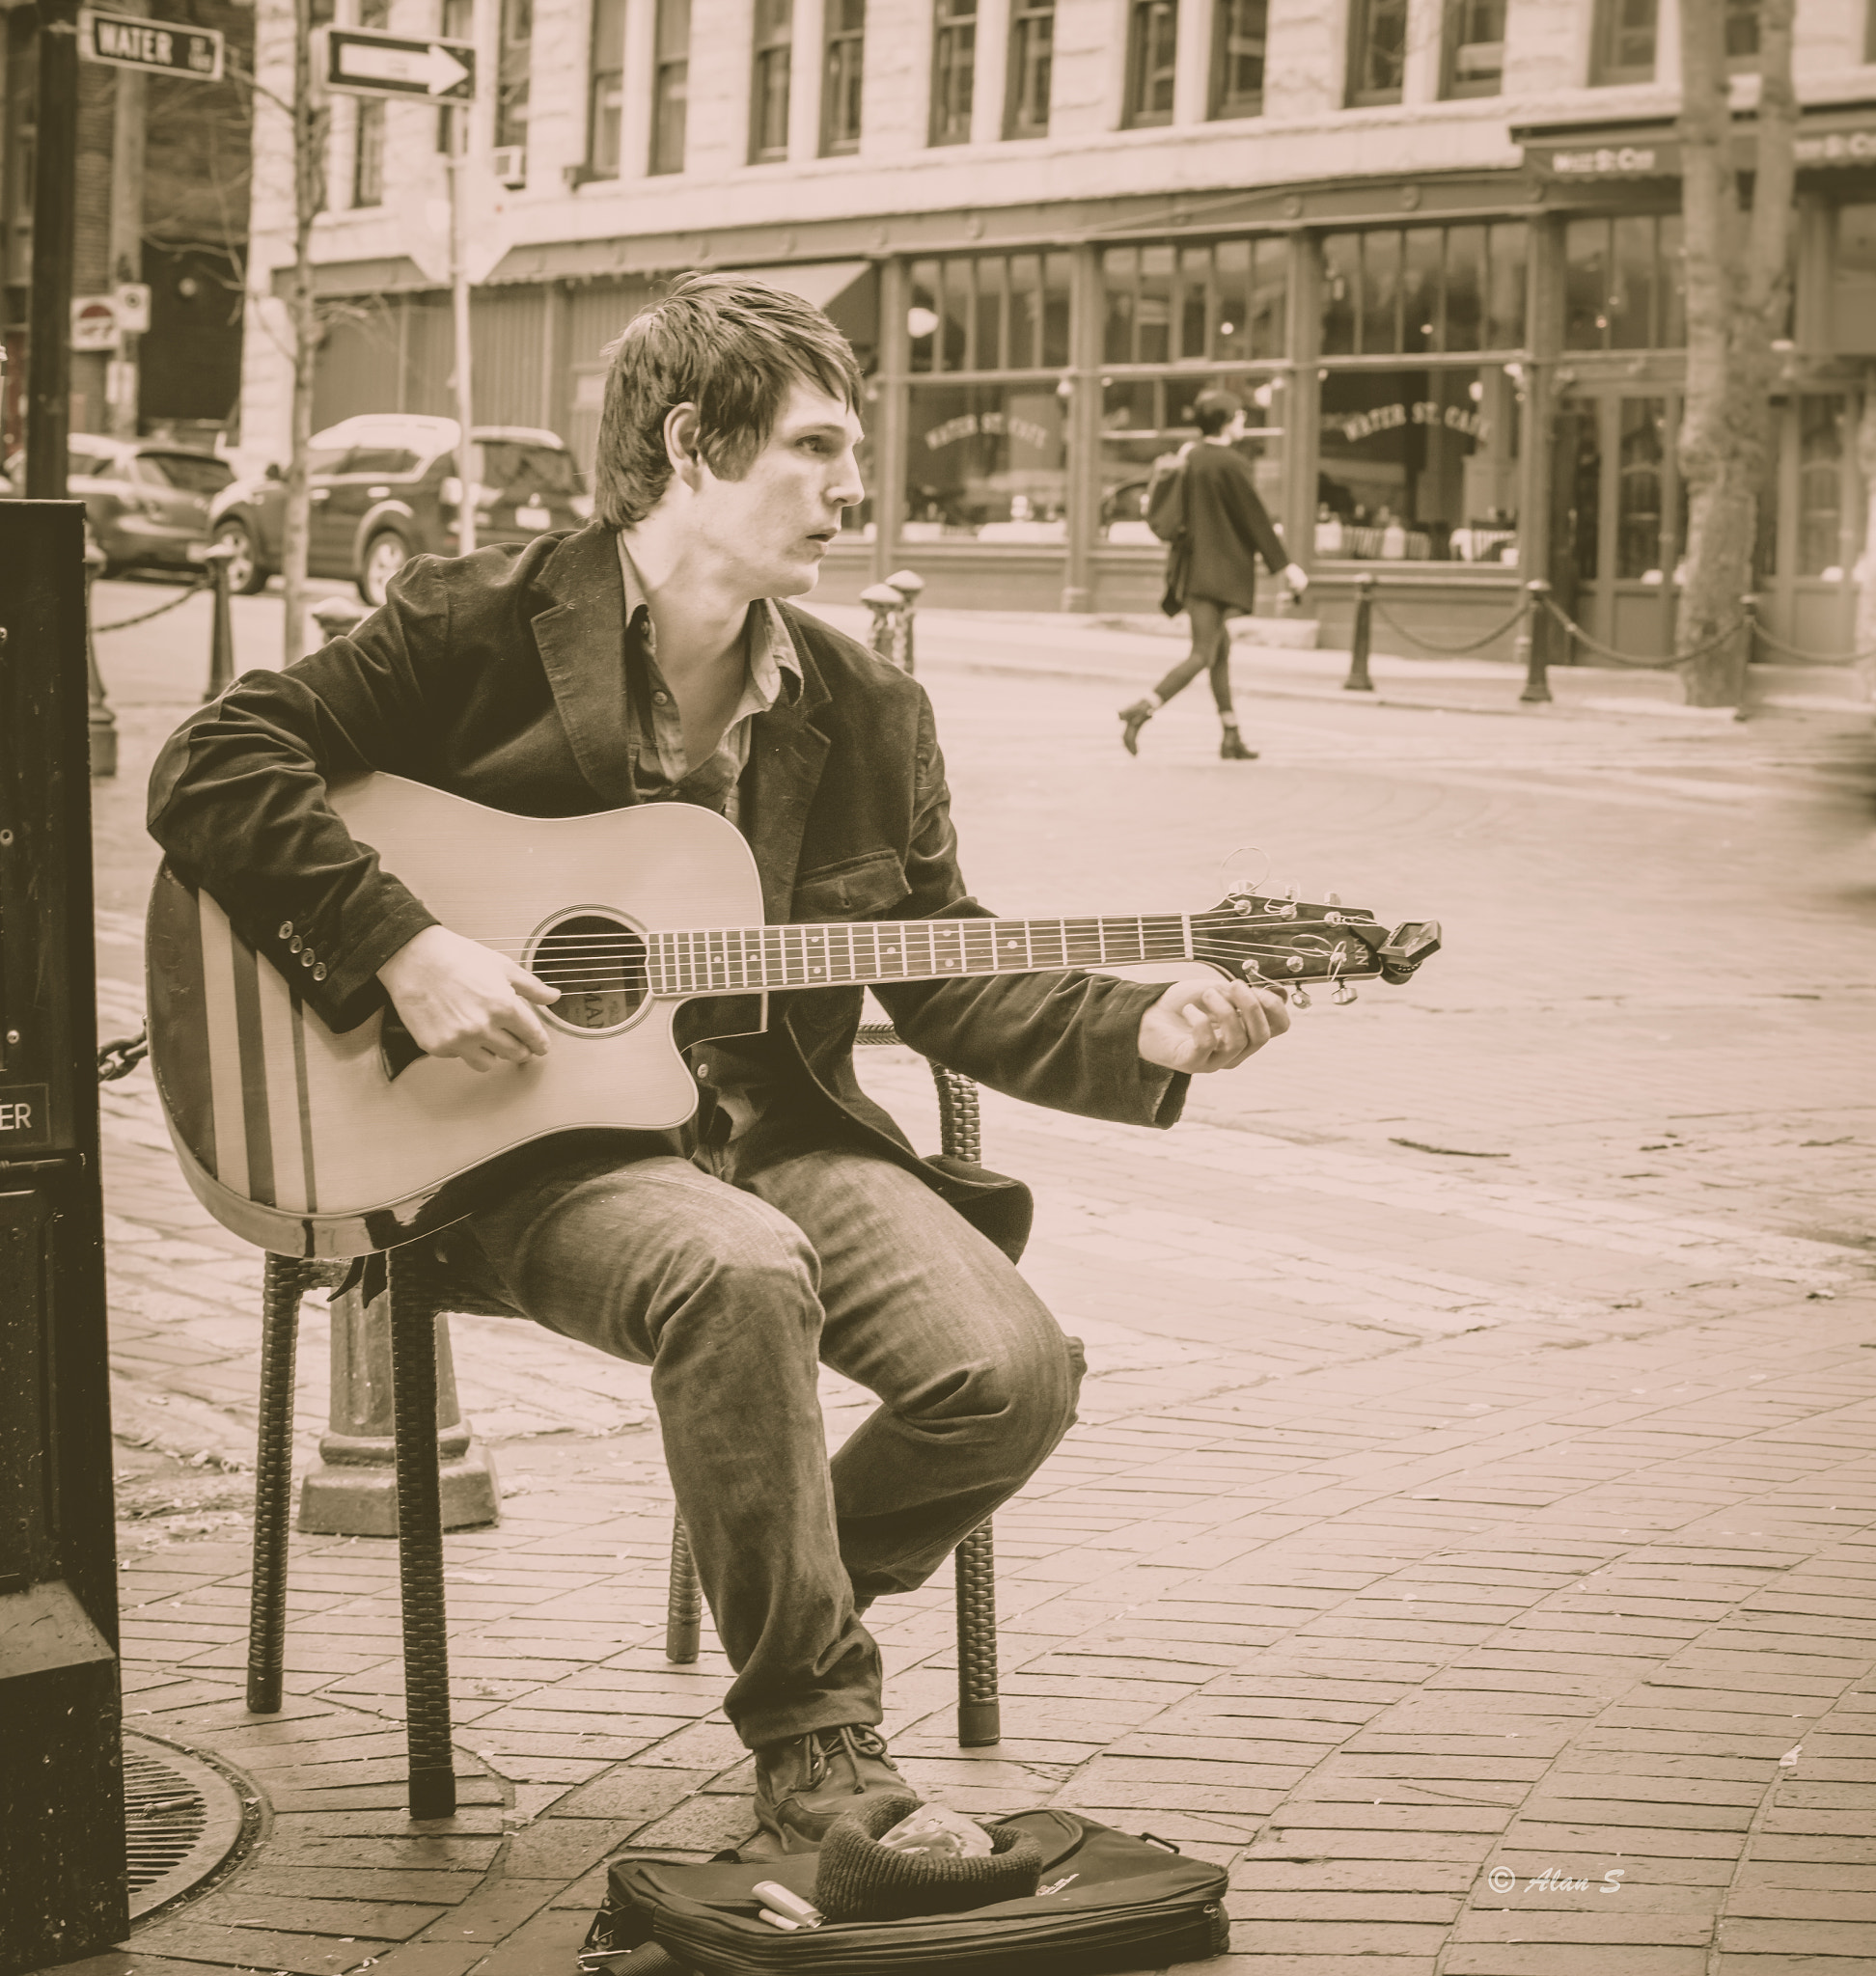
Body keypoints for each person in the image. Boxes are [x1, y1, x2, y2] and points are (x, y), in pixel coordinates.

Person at [148, 275, 1290, 1858]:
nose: (851, 485)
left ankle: (786, 1583)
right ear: (689, 444)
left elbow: (937, 961)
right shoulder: (472, 625)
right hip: (504, 1148)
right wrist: (406, 945)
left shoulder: (866, 705)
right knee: (739, 1272)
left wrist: (1135, 1024)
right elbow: (213, 759)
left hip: (770, 1130)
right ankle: (820, 1752)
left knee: (1011, 1374)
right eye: (816, 446)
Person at [1118, 387, 1310, 760]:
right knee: (1202, 653)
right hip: (1217, 574)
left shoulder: (1191, 458)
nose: (1244, 421)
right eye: (1240, 416)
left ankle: (1231, 734)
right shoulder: (1229, 463)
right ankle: (1142, 709)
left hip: (1191, 571)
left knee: (1220, 653)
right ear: (1224, 422)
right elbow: (1254, 518)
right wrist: (1286, 567)